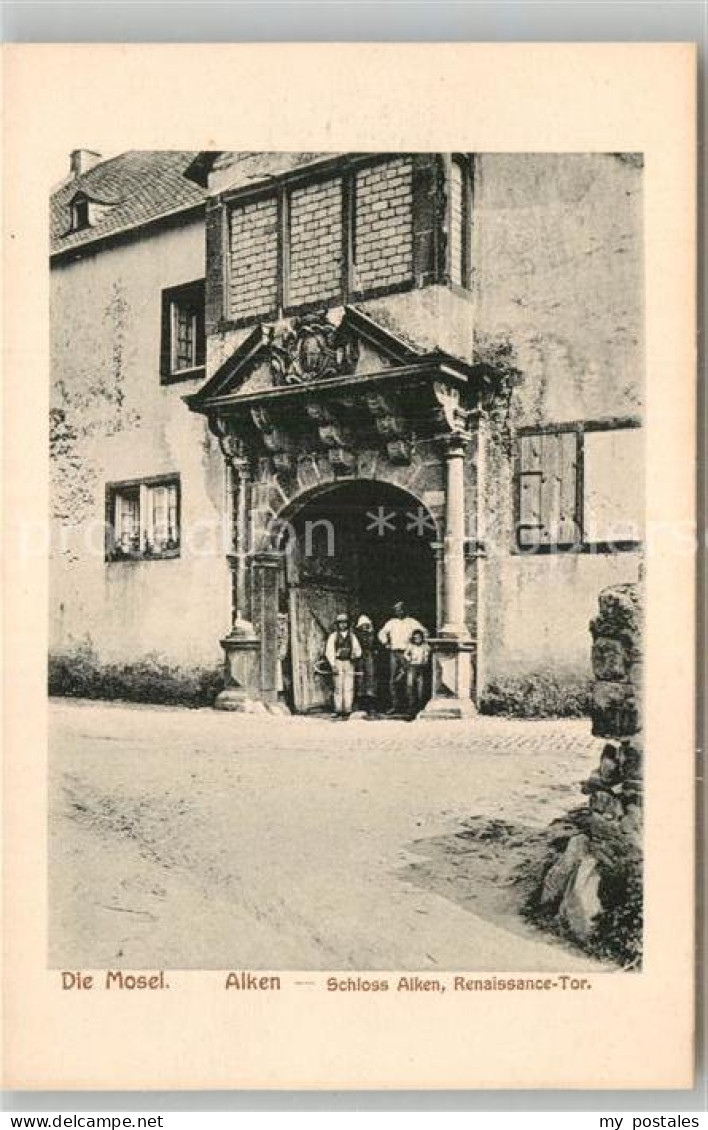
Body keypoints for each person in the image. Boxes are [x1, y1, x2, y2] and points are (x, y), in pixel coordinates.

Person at [378, 601, 427, 714]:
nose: (398, 612)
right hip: (395, 653)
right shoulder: (392, 622)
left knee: (409, 680)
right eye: (396, 610)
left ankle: (411, 706)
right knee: (394, 679)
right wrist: (386, 642)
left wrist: (417, 644)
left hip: (408, 653)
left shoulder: (412, 622)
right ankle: (395, 705)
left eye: (400, 609)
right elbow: (381, 633)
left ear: (405, 609)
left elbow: (424, 632)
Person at [324, 613, 362, 719]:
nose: (342, 625)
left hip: (349, 662)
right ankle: (338, 709)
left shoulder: (352, 636)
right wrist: (333, 664)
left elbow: (358, 649)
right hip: (338, 662)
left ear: (347, 624)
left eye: (344, 623)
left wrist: (355, 655)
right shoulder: (333, 636)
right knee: (338, 686)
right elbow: (329, 651)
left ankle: (348, 709)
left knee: (349, 685)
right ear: (337, 624)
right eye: (340, 623)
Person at [354, 614, 378, 716]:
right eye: (362, 625)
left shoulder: (371, 634)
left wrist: (371, 632)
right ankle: (360, 704)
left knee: (371, 679)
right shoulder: (356, 635)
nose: (364, 627)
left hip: (369, 657)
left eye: (366, 625)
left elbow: (374, 645)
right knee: (360, 679)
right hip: (360, 657)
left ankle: (371, 705)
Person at [404, 628, 431, 718]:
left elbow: (428, 653)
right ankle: (411, 708)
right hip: (413, 667)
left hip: (422, 667)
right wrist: (409, 659)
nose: (417, 640)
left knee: (421, 688)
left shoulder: (425, 646)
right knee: (410, 686)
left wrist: (426, 660)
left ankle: (420, 707)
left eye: (419, 638)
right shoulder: (411, 646)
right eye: (415, 638)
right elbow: (406, 654)